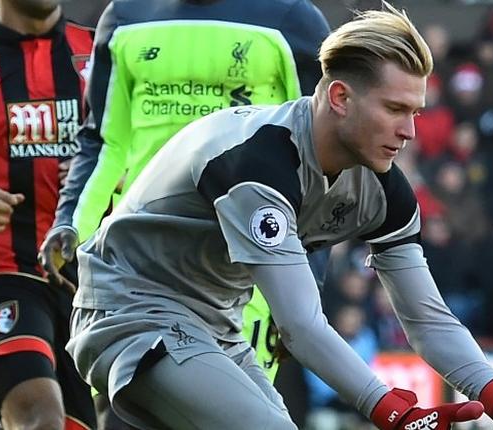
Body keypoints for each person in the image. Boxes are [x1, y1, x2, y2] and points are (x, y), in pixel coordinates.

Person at [62, 3, 493, 429]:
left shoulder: (384, 187)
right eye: (395, 108)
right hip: (130, 313)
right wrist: (389, 409)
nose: (411, 130)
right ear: (340, 97)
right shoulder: (257, 162)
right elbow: (301, 325)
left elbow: (426, 317)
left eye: (416, 112)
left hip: (216, 326)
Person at [37, 0, 330, 426]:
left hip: (246, 276)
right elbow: (103, 142)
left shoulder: (292, 20)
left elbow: (318, 163)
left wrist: (307, 290)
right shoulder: (124, 17)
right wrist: (71, 225)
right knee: (131, 417)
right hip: (132, 272)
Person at [0, 1, 96, 429]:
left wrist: (116, 178)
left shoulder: (100, 51)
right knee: (39, 415)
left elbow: (146, 155)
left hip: (99, 281)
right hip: (4, 273)